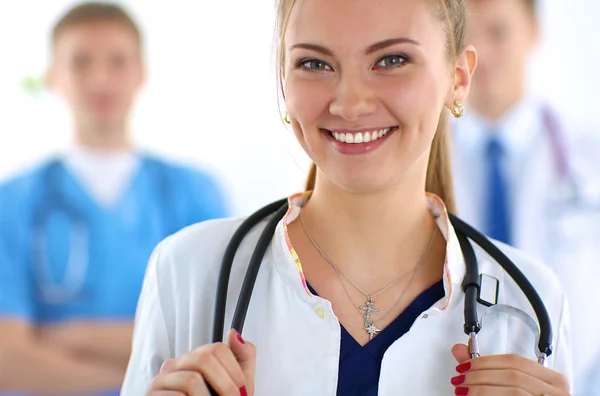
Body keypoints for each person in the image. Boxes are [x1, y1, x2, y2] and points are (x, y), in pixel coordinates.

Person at [123, 0, 572, 394]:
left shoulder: (528, 306)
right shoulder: (185, 273)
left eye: (392, 59)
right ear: (284, 82)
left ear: (458, 78)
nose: (350, 103)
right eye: (315, 64)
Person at [0, 2, 229, 395]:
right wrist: (147, 376)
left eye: (117, 62)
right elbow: (8, 360)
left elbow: (215, 340)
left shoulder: (193, 194)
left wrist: (70, 337)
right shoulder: (13, 201)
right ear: (53, 76)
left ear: (140, 73)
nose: (100, 79)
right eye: (81, 62)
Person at [451, 0, 600, 393]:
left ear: (534, 32)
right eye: (465, 37)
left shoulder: (589, 162)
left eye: (498, 32)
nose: (478, 55)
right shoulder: (418, 166)